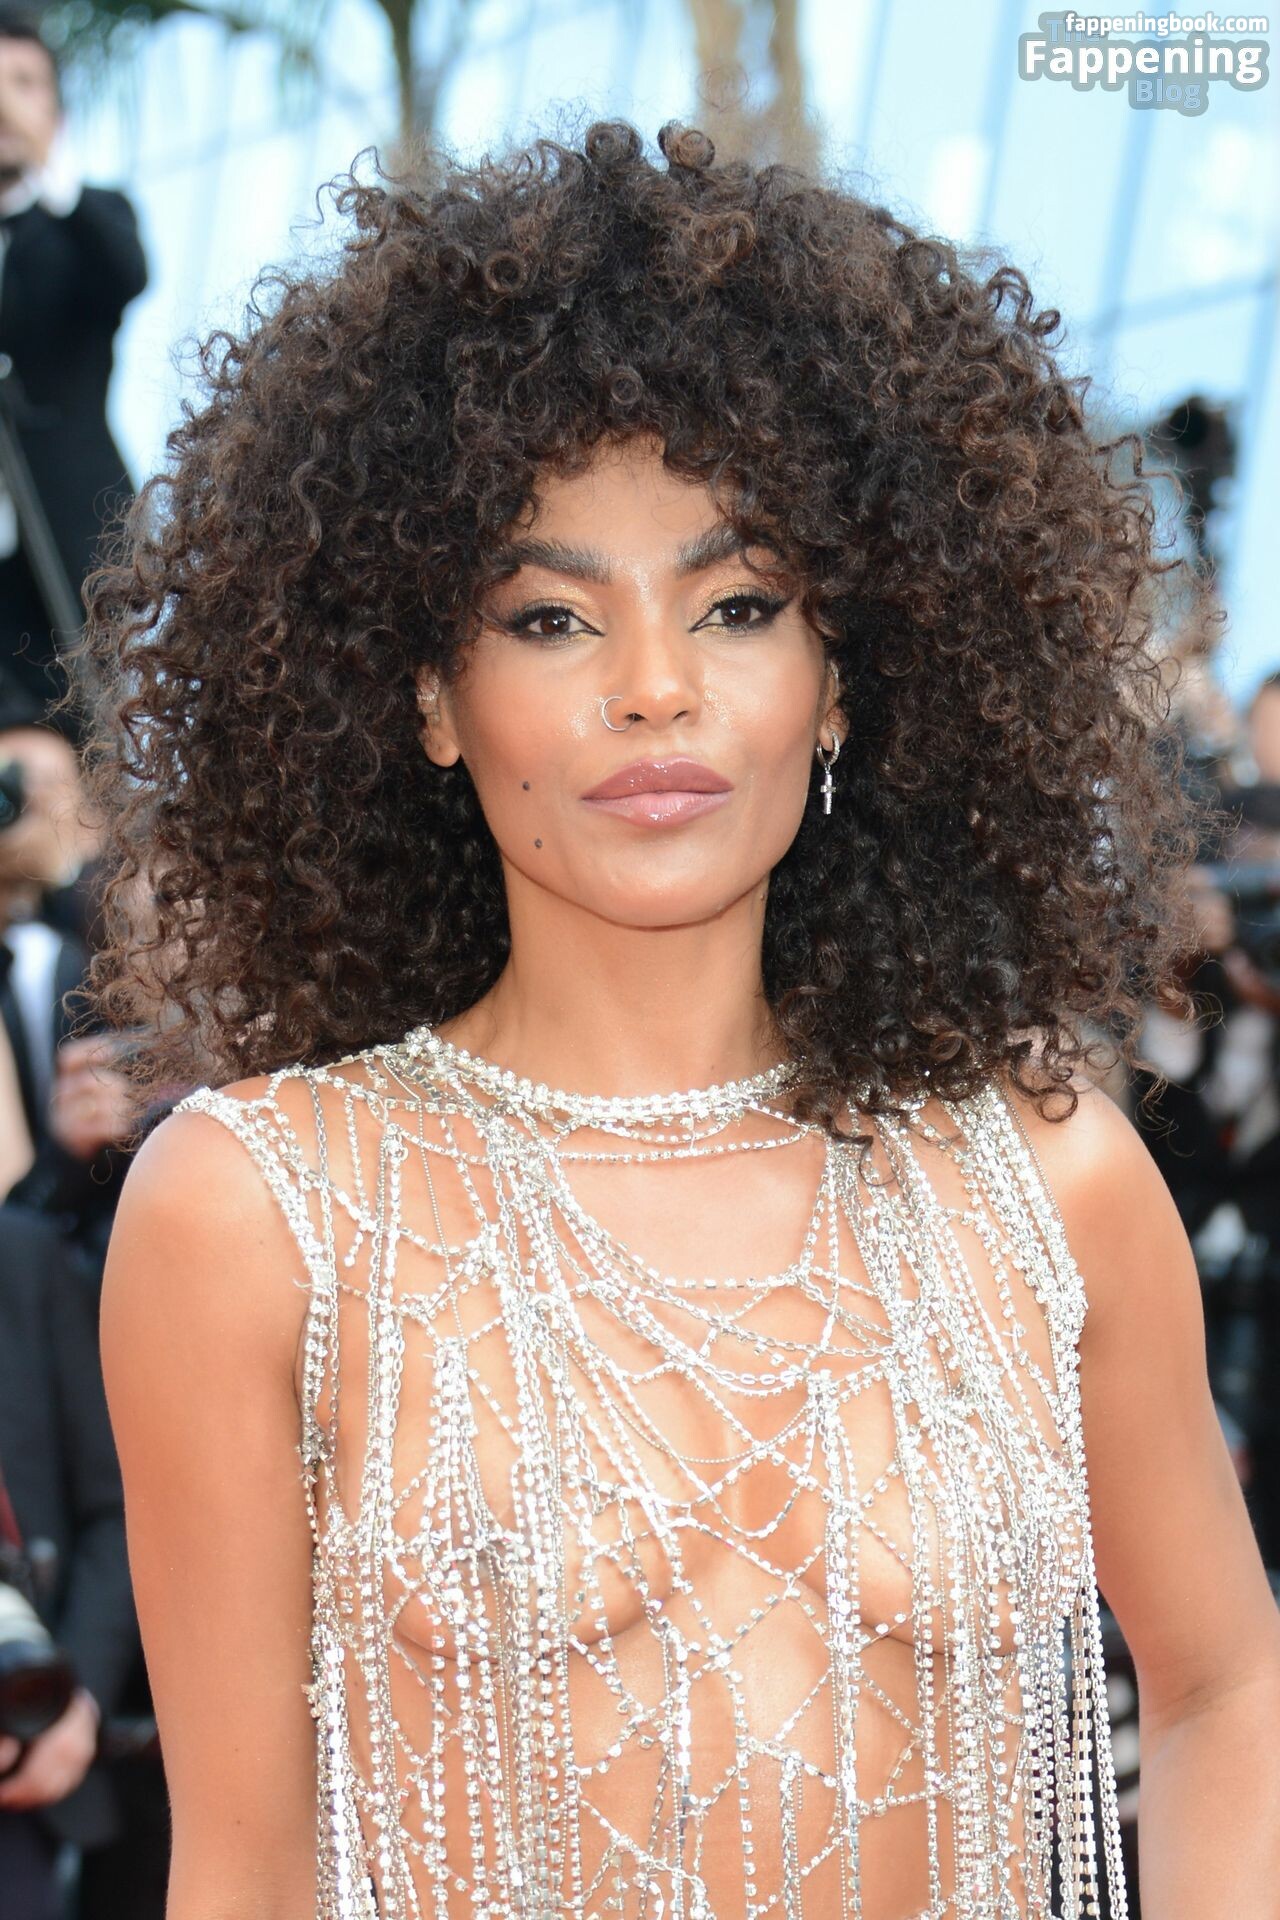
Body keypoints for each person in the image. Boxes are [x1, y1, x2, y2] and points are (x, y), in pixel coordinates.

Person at [87, 118, 1280, 1919]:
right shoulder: (262, 1213)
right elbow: (243, 1865)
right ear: (426, 697)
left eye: (736, 604)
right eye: (550, 618)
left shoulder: (1048, 1186)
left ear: (842, 679)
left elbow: (1226, 1684)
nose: (655, 688)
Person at [0, 10, 148, 726]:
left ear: (56, 111)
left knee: (86, 735)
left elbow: (125, 274)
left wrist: (50, 175)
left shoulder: (87, 218)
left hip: (75, 541)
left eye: (23, 83)